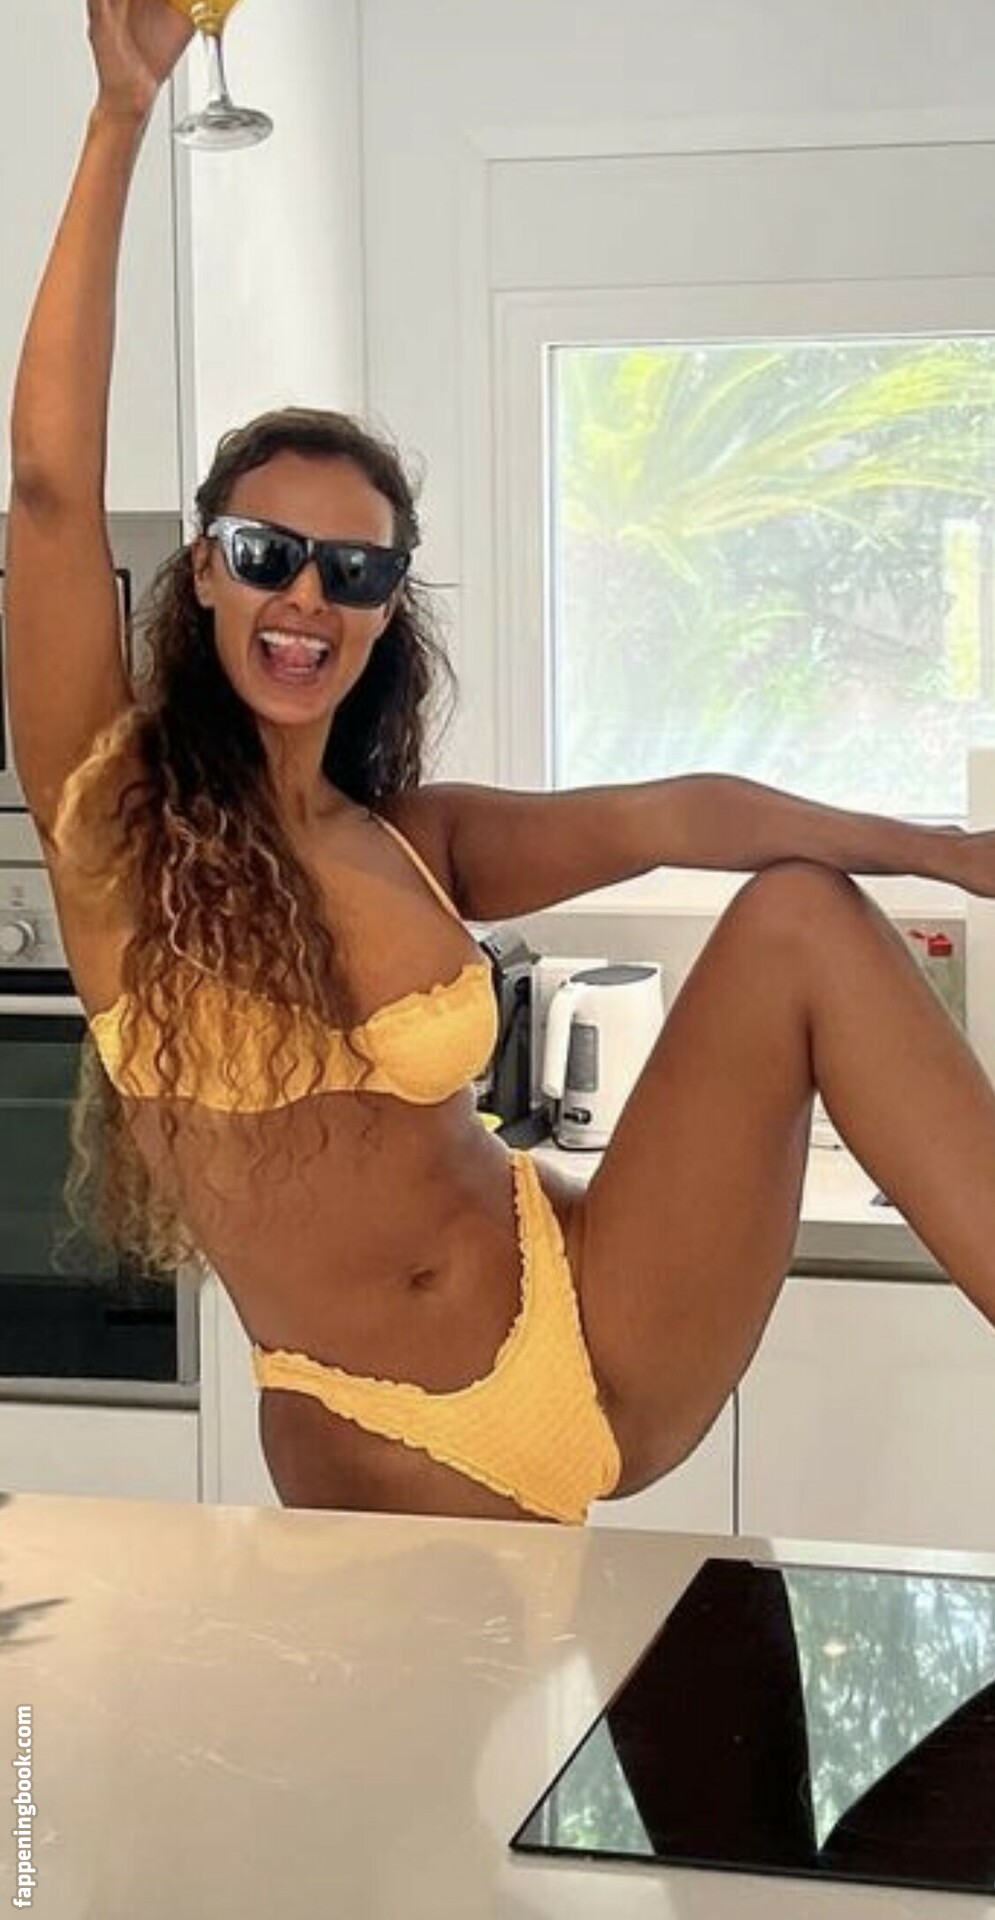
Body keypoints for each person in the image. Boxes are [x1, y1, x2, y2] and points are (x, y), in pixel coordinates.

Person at [7, 0, 995, 1526]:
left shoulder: (413, 836)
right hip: (381, 1433)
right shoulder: (112, 831)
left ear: (386, 604)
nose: (306, 597)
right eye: (267, 553)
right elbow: (50, 491)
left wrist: (948, 850)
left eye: (352, 570)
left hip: (591, 1302)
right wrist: (119, 118)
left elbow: (680, 813)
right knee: (517, 1695)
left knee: (801, 916)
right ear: (204, 570)